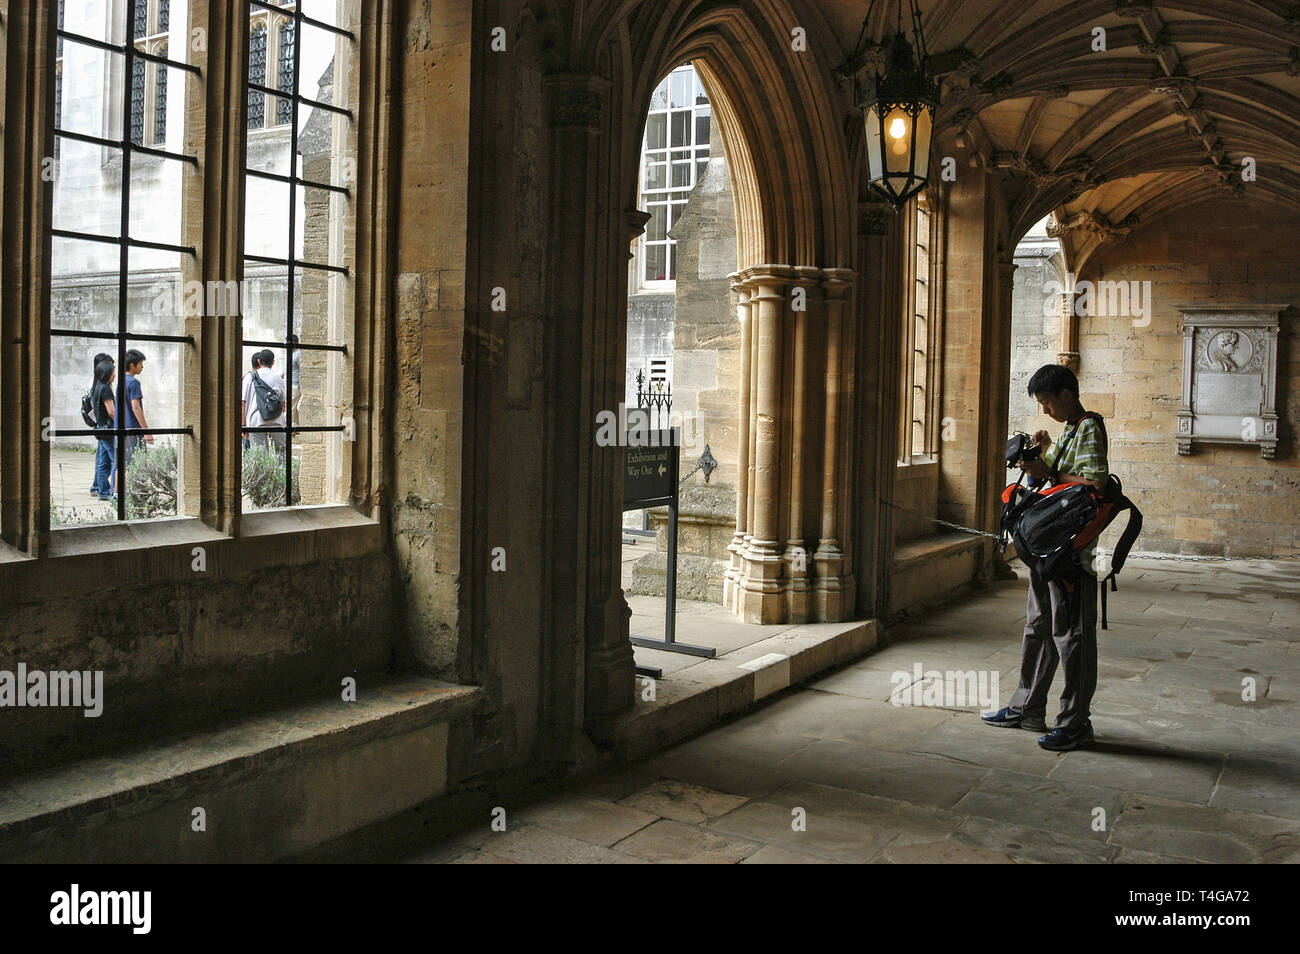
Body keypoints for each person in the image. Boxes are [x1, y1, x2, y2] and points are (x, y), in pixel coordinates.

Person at [982, 363, 1110, 751]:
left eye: (1047, 403)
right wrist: (1046, 458)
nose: (1045, 411)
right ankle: (1027, 707)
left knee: (1071, 636)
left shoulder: (1088, 426)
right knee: (1038, 625)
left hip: (1071, 552)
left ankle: (1075, 723)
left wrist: (1047, 469)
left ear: (1066, 396)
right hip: (1047, 546)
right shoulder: (1071, 429)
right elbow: (1065, 475)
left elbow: (1095, 483)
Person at [115, 348, 153, 492]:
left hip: (120, 428)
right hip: (132, 429)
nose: (142, 366)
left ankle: (117, 494)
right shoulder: (133, 383)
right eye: (140, 363)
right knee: (137, 464)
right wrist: (147, 431)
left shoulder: (121, 381)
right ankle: (137, 494)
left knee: (120, 464)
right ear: (132, 365)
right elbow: (136, 407)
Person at [241, 349, 286, 458]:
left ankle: (263, 475)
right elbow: (283, 404)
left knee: (260, 455)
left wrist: (243, 425)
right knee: (281, 452)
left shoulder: (249, 377)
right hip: (276, 420)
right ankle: (281, 474)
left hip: (256, 420)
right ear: (272, 362)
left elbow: (243, 402)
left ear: (259, 361)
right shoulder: (278, 378)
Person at [90, 357, 116, 501]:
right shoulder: (105, 389)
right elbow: (111, 411)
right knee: (115, 461)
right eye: (112, 372)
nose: (114, 375)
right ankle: (112, 491)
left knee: (103, 462)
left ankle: (102, 491)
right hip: (108, 430)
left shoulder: (97, 387)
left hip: (100, 429)